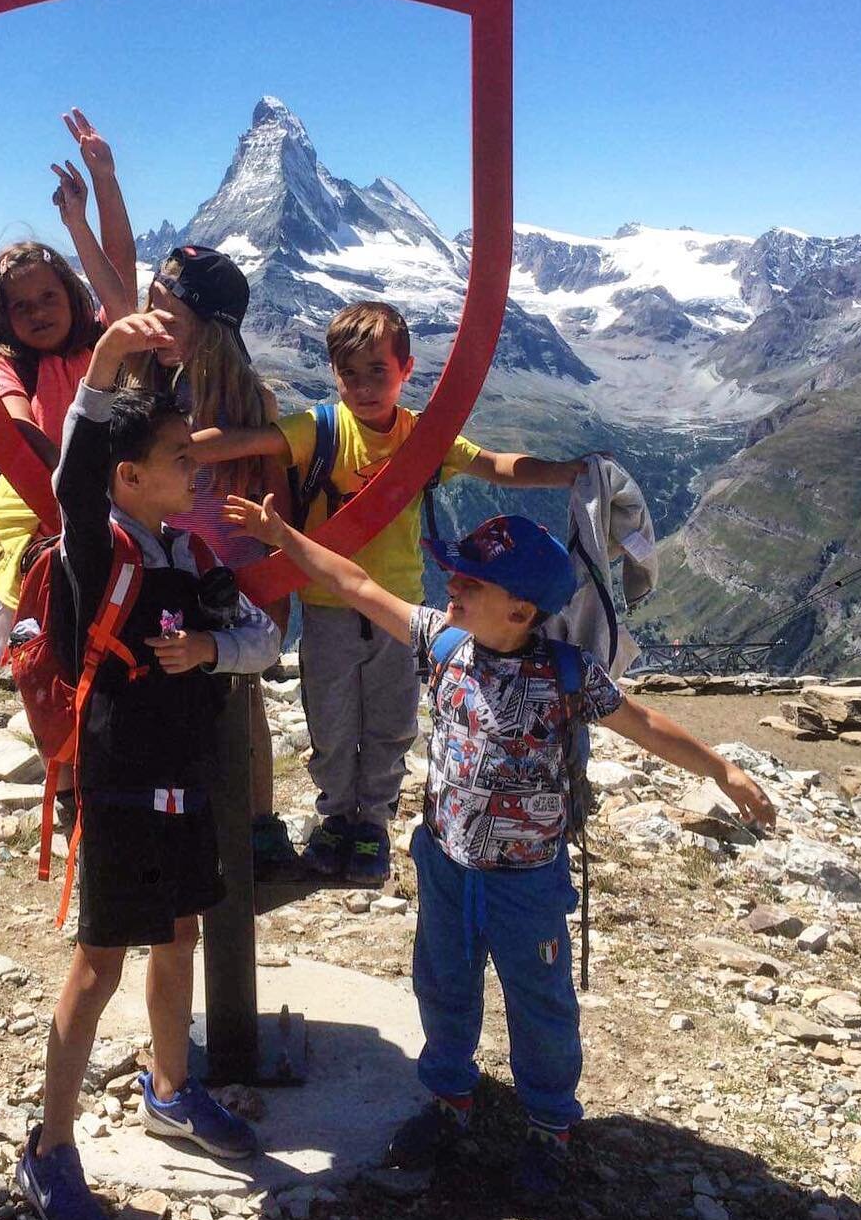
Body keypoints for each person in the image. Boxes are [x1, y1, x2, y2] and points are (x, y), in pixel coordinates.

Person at [223, 495, 777, 1200]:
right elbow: (355, 585)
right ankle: (450, 1100)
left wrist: (720, 770)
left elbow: (644, 724)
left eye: (470, 581)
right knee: (442, 986)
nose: (448, 586)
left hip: (527, 881)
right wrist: (282, 536)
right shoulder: (443, 641)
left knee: (539, 1003)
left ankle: (549, 1125)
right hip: (448, 866)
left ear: (520, 611)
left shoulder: (569, 674)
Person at [17, 312, 281, 1220]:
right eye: (179, 457)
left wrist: (215, 646)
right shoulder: (98, 547)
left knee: (178, 935)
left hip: (182, 778)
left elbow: (265, 640)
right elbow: (72, 477)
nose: (197, 469)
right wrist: (102, 364)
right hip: (120, 779)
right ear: (129, 478)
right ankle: (49, 1147)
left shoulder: (192, 556)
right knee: (99, 963)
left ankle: (170, 1091)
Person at [194, 299, 592, 885]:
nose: (362, 386)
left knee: (390, 723)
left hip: (399, 615)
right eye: (349, 373)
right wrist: (166, 446)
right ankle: (336, 820)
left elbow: (495, 466)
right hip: (330, 608)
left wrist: (569, 471)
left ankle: (371, 826)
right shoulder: (321, 428)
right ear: (334, 374)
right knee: (330, 724)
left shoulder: (423, 438)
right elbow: (250, 441)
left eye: (377, 371)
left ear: (405, 370)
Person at [128, 244, 298, 880]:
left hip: (236, 576)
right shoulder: (162, 387)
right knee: (187, 691)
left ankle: (255, 822)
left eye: (168, 312)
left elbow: (277, 492)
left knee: (240, 697)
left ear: (210, 324)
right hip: (178, 567)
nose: (153, 324)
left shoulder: (248, 400)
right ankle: (201, 815)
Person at [0, 109, 138, 656]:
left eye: (49, 298)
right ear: (3, 315)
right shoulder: (8, 363)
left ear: (71, 297)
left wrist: (99, 190)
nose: (37, 312)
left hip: (113, 488)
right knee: (55, 626)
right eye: (21, 306)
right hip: (44, 493)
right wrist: (71, 485)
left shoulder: (100, 340)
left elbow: (122, 285)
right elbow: (17, 431)